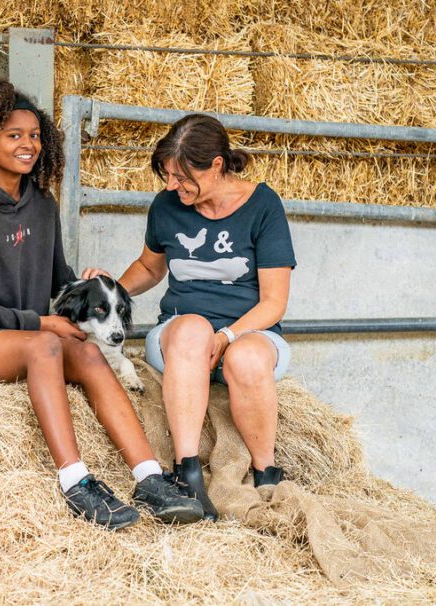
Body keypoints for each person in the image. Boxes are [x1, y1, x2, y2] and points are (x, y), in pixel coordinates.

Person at [0, 77, 203, 530]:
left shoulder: (43, 206)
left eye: (34, 135)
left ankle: (149, 477)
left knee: (89, 351)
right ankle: (76, 482)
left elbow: (58, 280)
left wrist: (83, 285)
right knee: (46, 346)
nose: (27, 144)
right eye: (13, 136)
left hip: (25, 332)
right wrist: (41, 323)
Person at [117, 114, 296, 521]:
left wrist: (230, 335)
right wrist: (112, 289)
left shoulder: (263, 206)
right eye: (167, 175)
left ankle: (266, 473)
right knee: (193, 330)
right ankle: (188, 473)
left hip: (252, 334)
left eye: (183, 177)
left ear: (217, 165)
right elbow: (149, 267)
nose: (171, 186)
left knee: (245, 357)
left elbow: (273, 303)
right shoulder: (167, 206)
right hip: (179, 339)